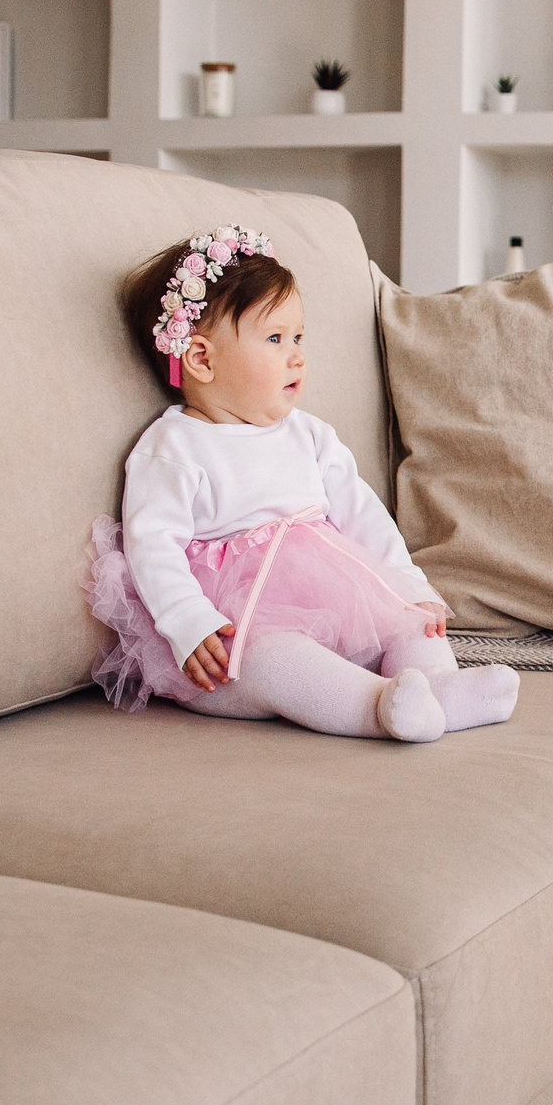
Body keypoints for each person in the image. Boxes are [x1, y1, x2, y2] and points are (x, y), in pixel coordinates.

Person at [85, 225, 520, 741]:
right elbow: (151, 544)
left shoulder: (309, 434)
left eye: (297, 338)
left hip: (334, 601)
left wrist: (409, 586)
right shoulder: (173, 447)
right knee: (272, 660)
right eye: (274, 339)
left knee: (408, 626)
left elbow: (362, 512)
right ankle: (379, 707)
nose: (297, 356)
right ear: (201, 359)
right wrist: (187, 620)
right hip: (235, 630)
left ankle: (441, 686)